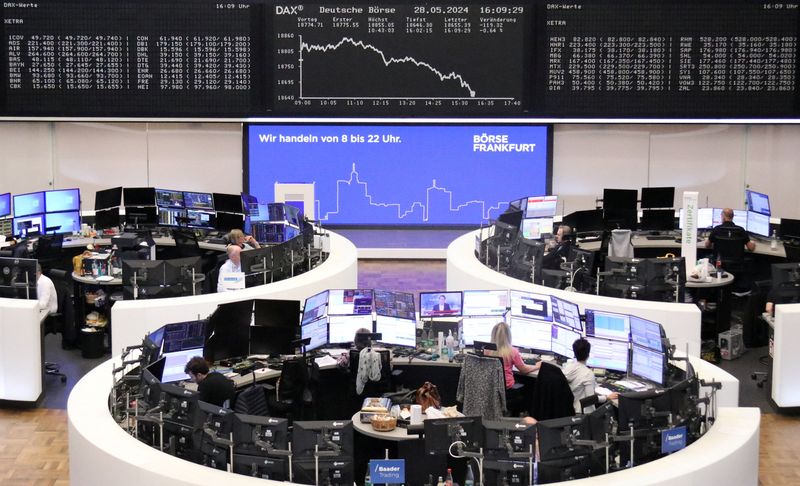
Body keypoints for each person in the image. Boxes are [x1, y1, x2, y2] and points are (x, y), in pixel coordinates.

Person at [532, 338, 618, 413]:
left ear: (574, 352)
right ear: (588, 355)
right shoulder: (588, 374)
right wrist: (607, 397)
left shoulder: (568, 367)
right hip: (581, 412)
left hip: (567, 409)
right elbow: (590, 400)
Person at [490, 321, 537, 389]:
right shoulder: (512, 351)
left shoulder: (486, 350)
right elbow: (524, 370)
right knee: (529, 384)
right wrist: (538, 365)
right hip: (507, 388)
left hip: (492, 388)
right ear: (508, 335)